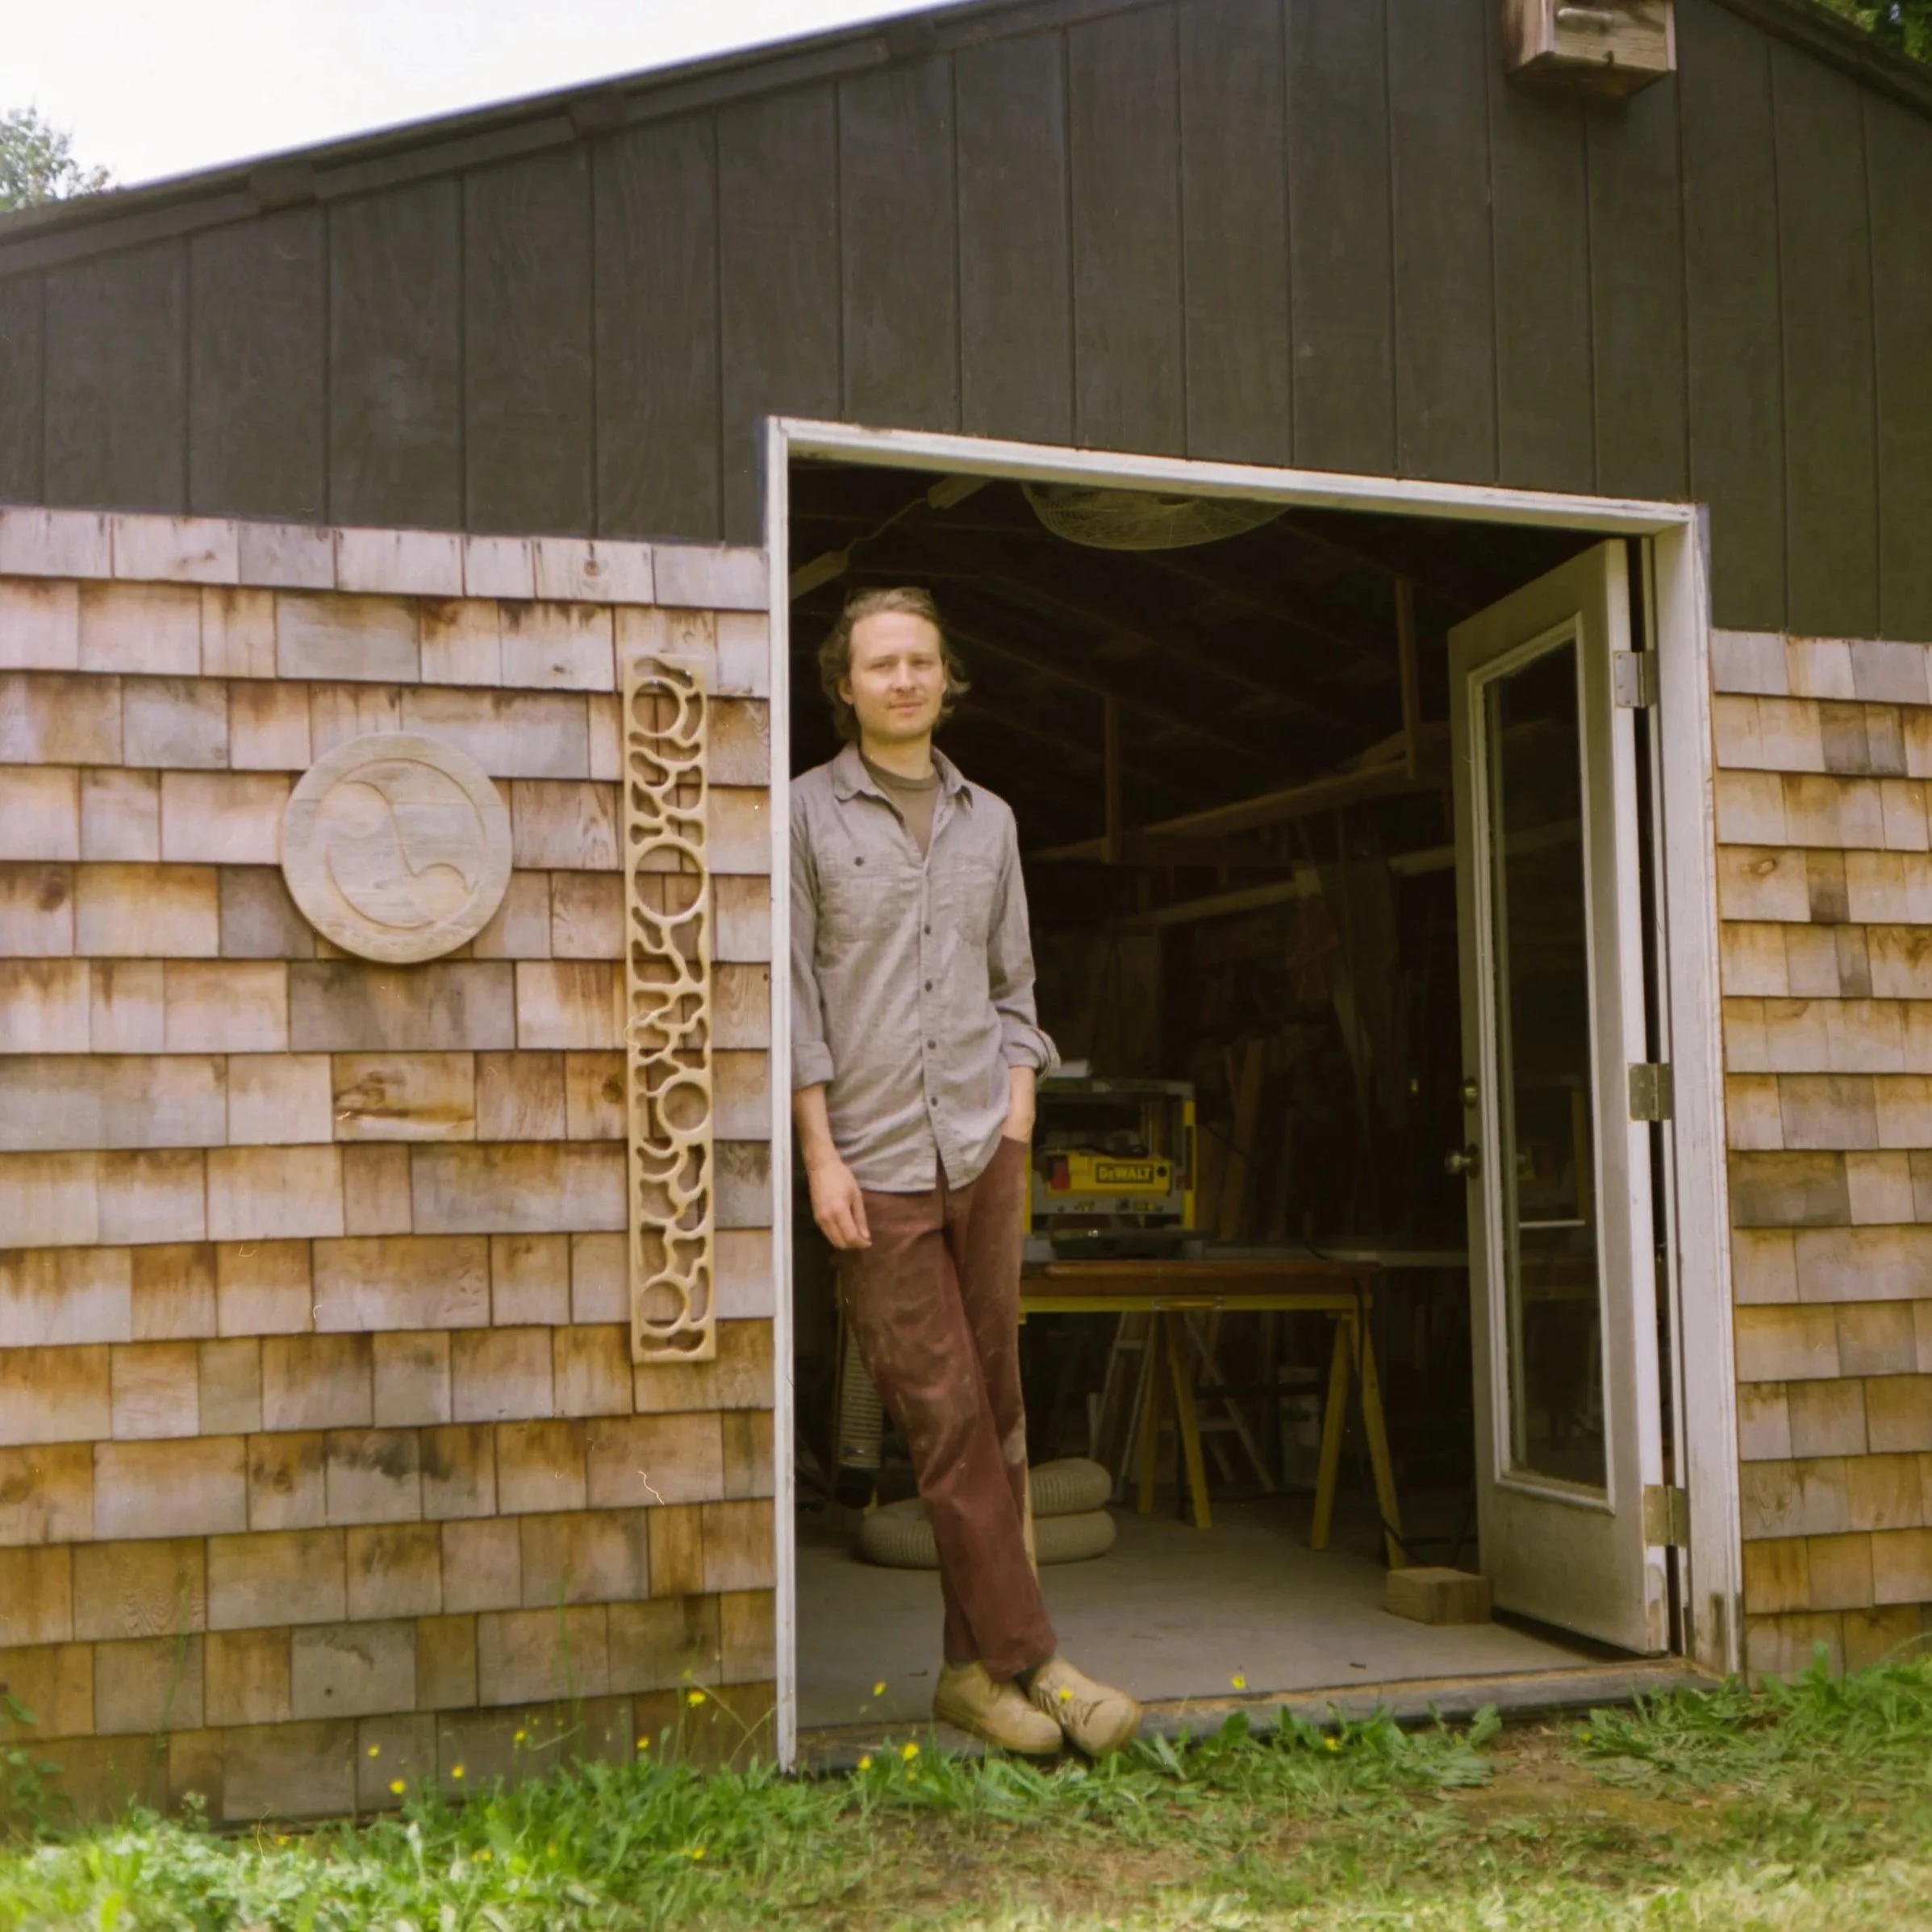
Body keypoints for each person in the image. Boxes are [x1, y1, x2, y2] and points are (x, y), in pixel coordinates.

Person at [791, 584, 1141, 1758]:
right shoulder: (801, 817)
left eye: (921, 662)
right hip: (874, 1160)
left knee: (995, 1414)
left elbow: (1013, 981)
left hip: (982, 1145)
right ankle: (1036, 1661)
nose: (902, 680)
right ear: (844, 685)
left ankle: (965, 1676)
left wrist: (1020, 1105)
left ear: (948, 680)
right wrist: (816, 1154)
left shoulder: (987, 820)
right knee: (941, 1420)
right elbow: (791, 999)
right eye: (880, 664)